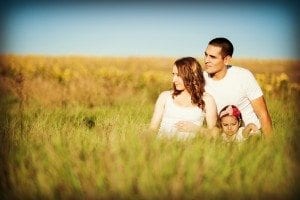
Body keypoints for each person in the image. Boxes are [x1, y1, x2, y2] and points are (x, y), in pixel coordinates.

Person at [203, 37, 272, 137]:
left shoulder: (243, 76)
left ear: (226, 59)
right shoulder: (201, 79)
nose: (206, 60)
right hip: (221, 139)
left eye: (212, 57)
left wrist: (270, 146)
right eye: (206, 55)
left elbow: (263, 114)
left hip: (249, 136)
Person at [150, 57, 218, 140]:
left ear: (192, 75)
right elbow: (152, 129)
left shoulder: (207, 100)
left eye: (178, 75)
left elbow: (214, 134)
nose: (174, 80)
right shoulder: (165, 96)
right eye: (173, 74)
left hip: (190, 150)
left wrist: (196, 129)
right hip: (162, 147)